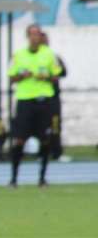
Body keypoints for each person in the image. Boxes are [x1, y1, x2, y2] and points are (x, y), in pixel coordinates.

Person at [9, 24, 61, 187]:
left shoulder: (49, 54)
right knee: (19, 140)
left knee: (45, 139)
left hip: (43, 100)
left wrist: (45, 76)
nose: (34, 37)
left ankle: (42, 178)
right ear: (27, 36)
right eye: (31, 34)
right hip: (25, 100)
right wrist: (21, 76)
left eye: (37, 34)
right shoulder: (19, 55)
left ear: (41, 36)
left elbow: (56, 76)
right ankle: (14, 179)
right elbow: (12, 78)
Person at [41, 31, 67, 160]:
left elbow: (63, 72)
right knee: (41, 126)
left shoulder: (54, 57)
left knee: (55, 125)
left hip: (53, 98)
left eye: (46, 41)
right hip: (38, 99)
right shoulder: (33, 58)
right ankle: (42, 153)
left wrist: (51, 76)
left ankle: (57, 153)